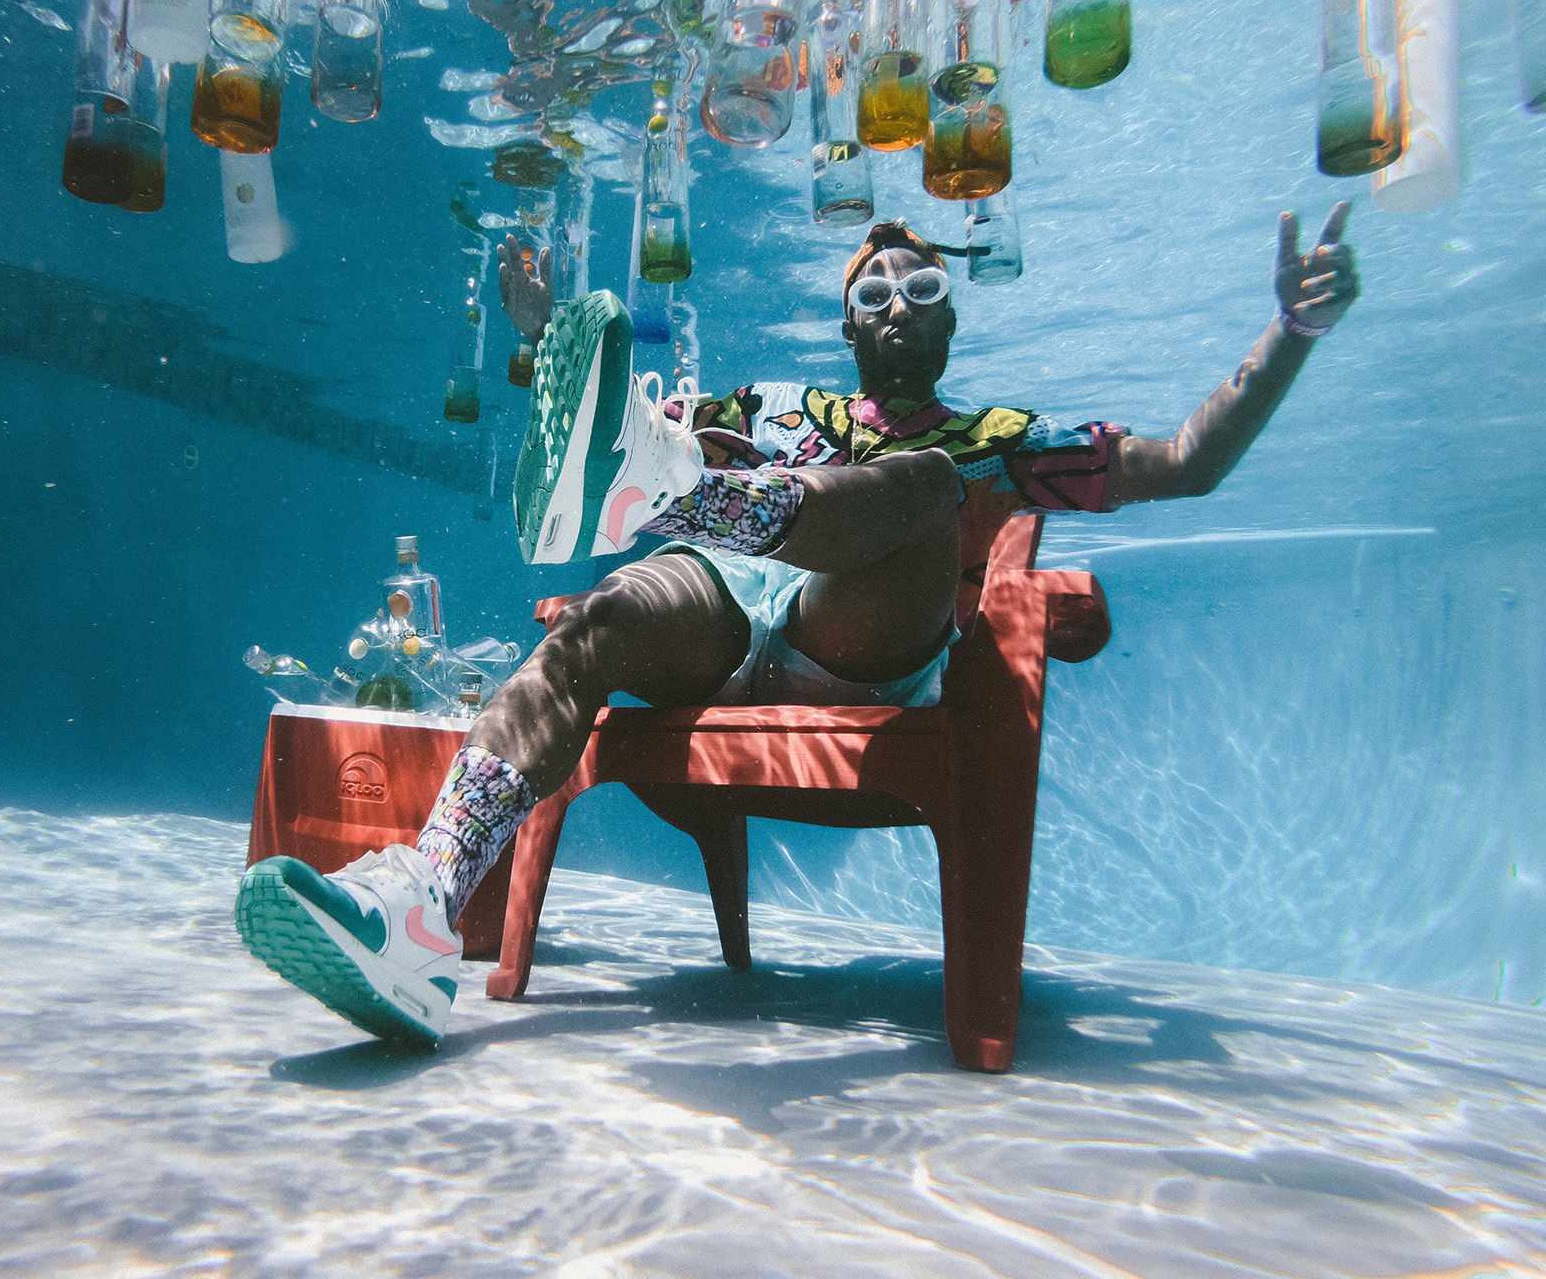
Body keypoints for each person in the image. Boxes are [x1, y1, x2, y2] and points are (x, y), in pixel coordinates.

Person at [234, 203, 1362, 1047]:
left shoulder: (999, 434)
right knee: (589, 630)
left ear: (951, 313)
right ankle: (423, 909)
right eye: (874, 294)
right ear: (847, 324)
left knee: (925, 481)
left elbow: (1188, 461)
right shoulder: (773, 406)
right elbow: (606, 408)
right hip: (723, 616)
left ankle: (674, 496)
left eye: (920, 287)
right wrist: (543, 327)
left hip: (858, 648)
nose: (897, 306)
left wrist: (1292, 334)